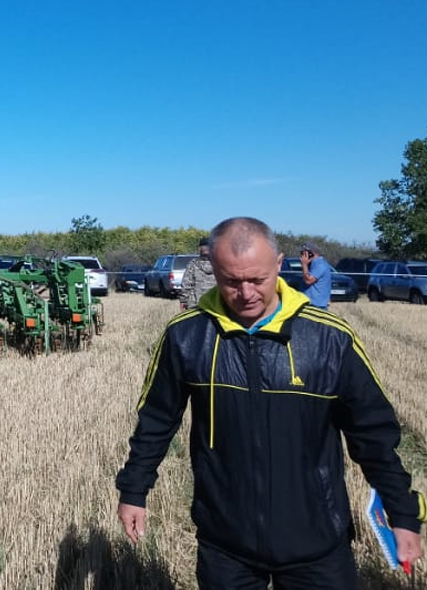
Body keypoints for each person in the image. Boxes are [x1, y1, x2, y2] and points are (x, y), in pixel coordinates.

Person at [116, 216, 424, 589]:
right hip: (225, 543)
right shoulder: (187, 336)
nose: (246, 293)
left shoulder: (329, 338)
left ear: (278, 266)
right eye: (231, 281)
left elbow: (373, 434)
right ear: (213, 270)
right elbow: (156, 420)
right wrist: (134, 490)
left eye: (257, 280)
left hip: (318, 544)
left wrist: (403, 512)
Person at [179, 237, 216, 310]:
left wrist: (183, 300)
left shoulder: (193, 264)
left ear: (200, 249)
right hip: (215, 304)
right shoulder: (220, 264)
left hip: (195, 304)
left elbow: (186, 284)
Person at [300, 241, 332, 309]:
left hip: (317, 305)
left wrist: (304, 265)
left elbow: (308, 280)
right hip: (310, 303)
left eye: (304, 253)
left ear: (311, 253)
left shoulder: (320, 265)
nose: (302, 256)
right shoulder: (312, 265)